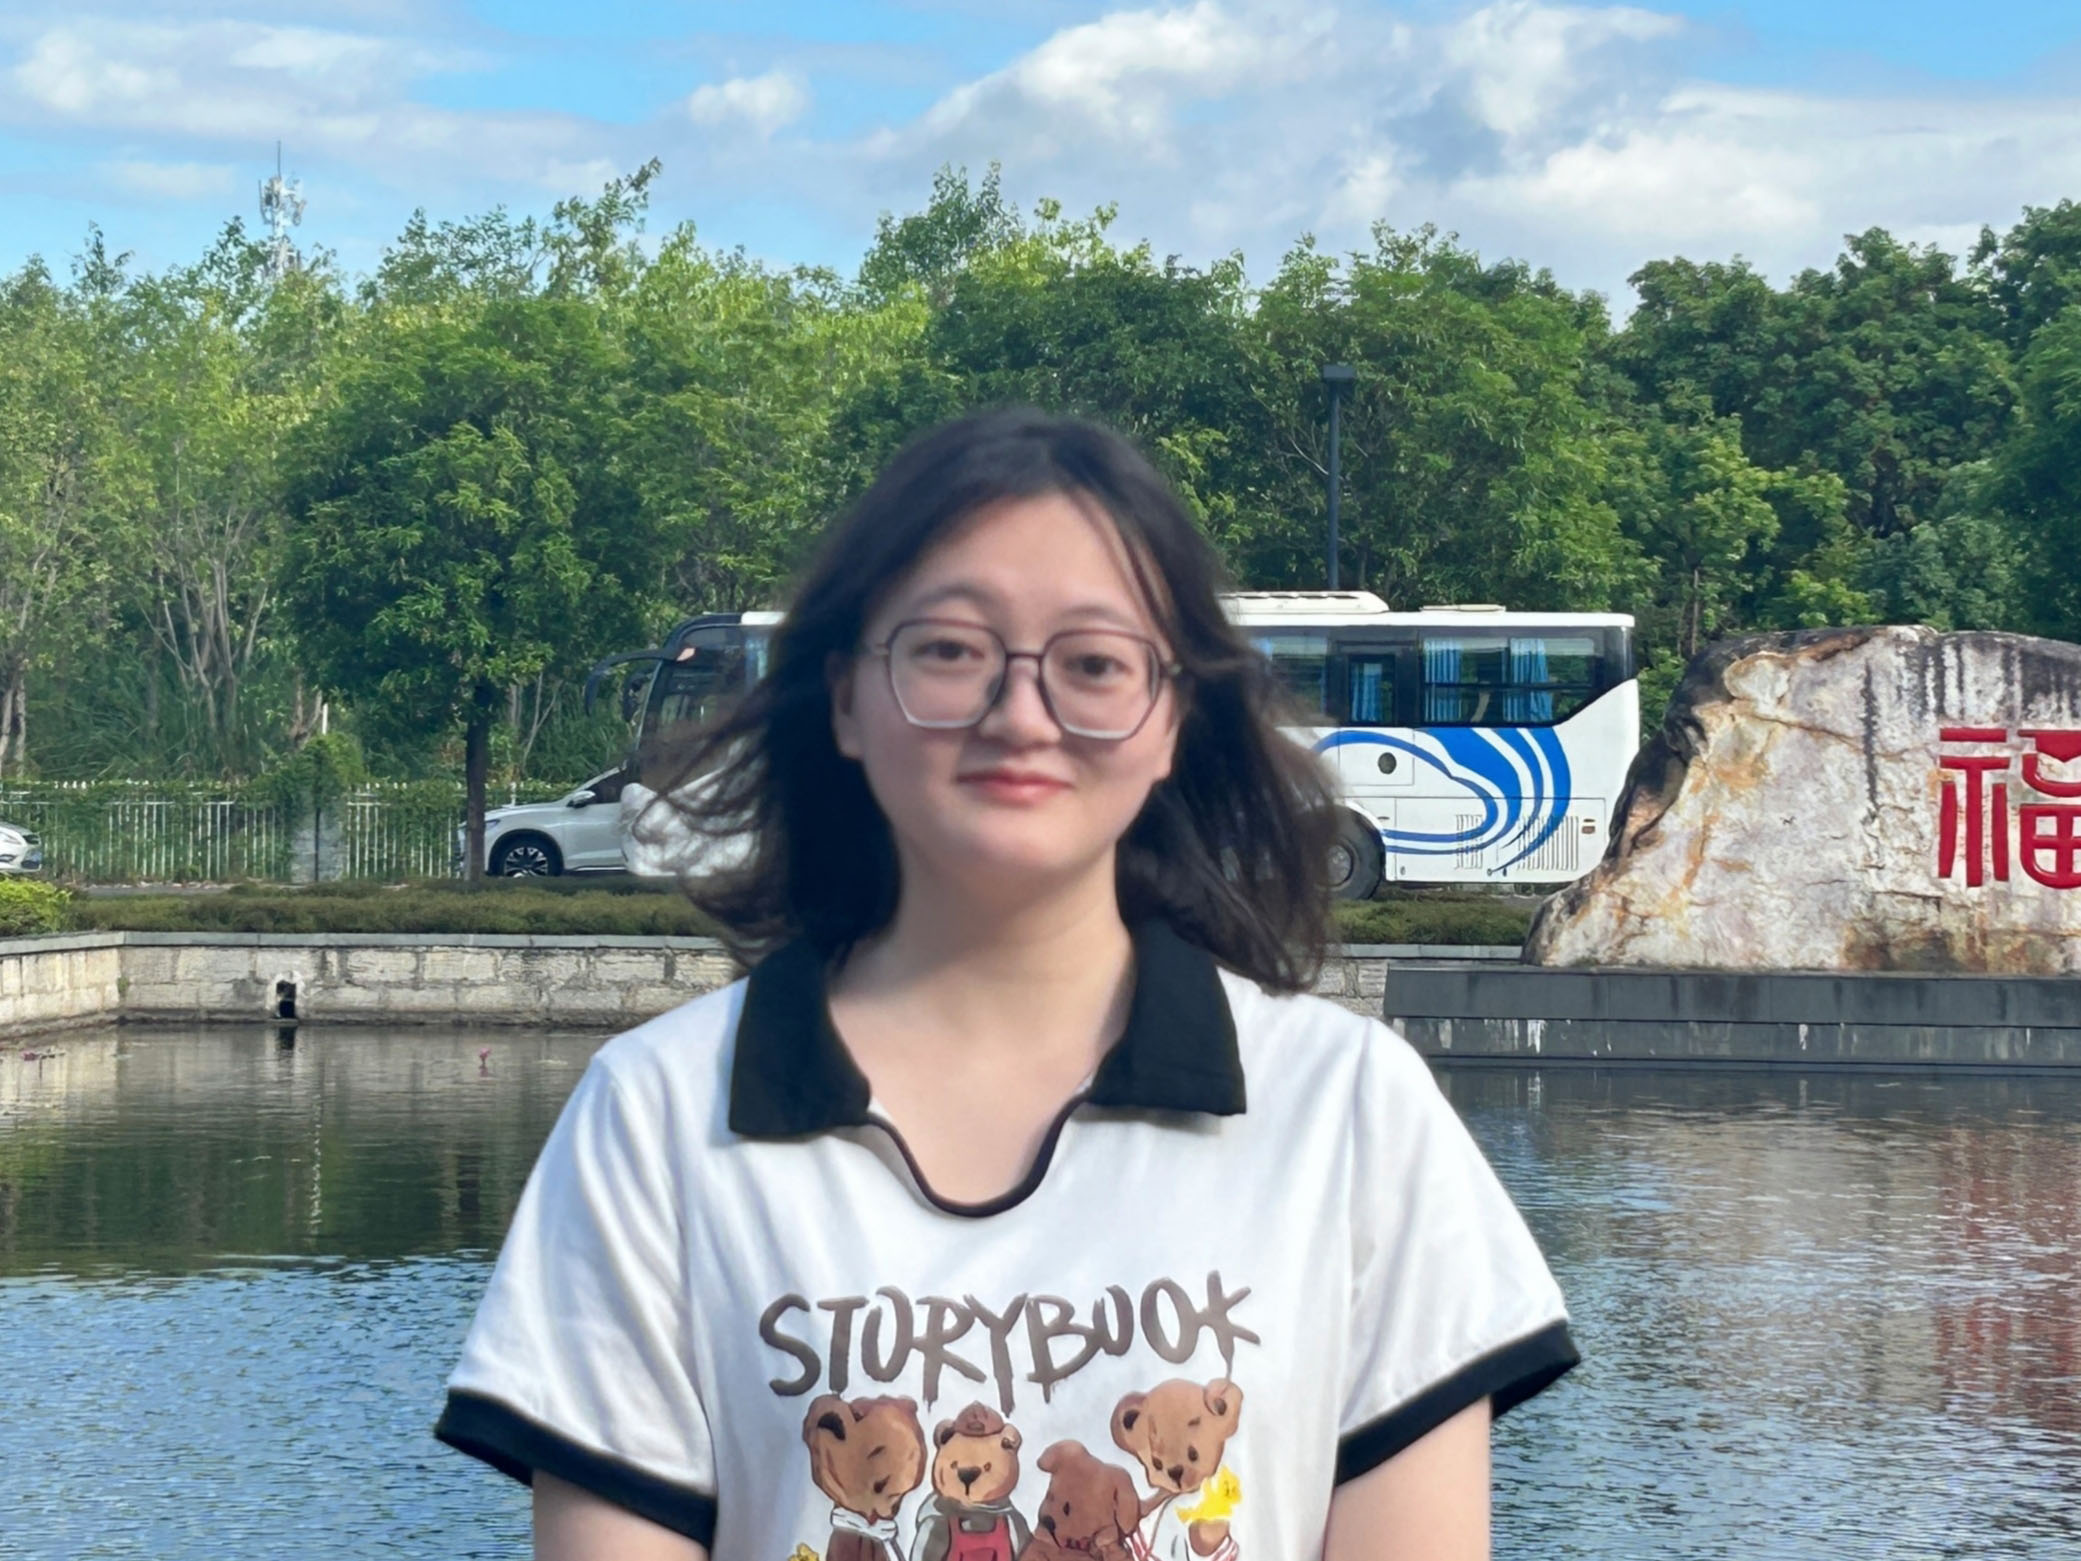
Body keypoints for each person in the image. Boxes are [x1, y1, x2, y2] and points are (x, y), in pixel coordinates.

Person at [435, 409, 1577, 1561]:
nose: (1020, 714)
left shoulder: (1349, 1112)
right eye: (949, 650)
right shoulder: (654, 1118)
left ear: (1172, 717)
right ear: (844, 696)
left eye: (1093, 663)